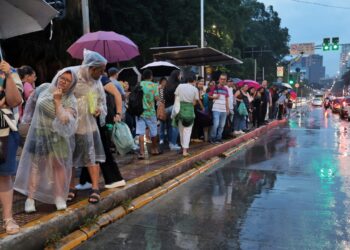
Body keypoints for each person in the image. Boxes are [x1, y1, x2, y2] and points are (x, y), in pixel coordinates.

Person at [14, 68, 78, 212]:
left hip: (58, 136)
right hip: (40, 133)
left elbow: (64, 119)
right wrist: (27, 120)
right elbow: (31, 102)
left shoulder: (70, 99)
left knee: (58, 166)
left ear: (72, 84)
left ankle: (59, 196)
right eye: (62, 77)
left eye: (68, 81)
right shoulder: (44, 88)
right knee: (36, 166)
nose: (63, 81)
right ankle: (30, 198)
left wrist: (57, 101)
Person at [68, 49, 108, 204]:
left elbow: (102, 102)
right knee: (69, 157)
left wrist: (100, 110)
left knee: (91, 156)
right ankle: (71, 187)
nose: (102, 74)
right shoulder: (72, 76)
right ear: (92, 68)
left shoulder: (97, 83)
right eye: (101, 70)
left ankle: (95, 188)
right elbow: (61, 95)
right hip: (71, 125)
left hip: (88, 126)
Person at [78, 75, 126, 189]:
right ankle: (86, 180)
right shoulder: (88, 80)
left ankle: (115, 179)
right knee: (90, 148)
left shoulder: (102, 79)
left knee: (102, 148)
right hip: (90, 119)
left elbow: (117, 94)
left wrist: (119, 113)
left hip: (101, 119)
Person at [0, 60, 22, 234]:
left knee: (4, 177)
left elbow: (14, 100)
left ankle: (8, 218)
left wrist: (7, 75)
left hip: (4, 132)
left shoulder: (10, 71)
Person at [172, 72, 203, 156]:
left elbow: (176, 98)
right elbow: (194, 102)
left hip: (180, 110)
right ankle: (185, 151)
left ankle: (183, 148)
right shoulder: (195, 89)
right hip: (189, 111)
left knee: (181, 131)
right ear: (193, 80)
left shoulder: (180, 86)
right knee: (187, 131)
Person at [136, 69, 160, 159]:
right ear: (151, 76)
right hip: (151, 112)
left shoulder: (139, 84)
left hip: (140, 112)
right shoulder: (154, 85)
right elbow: (157, 98)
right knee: (153, 131)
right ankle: (154, 149)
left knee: (141, 133)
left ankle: (142, 152)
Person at [209, 73, 229, 143]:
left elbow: (227, 100)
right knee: (216, 124)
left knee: (222, 125)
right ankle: (212, 138)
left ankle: (218, 138)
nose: (223, 80)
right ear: (219, 80)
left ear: (226, 80)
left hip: (223, 110)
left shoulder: (226, 89)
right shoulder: (214, 87)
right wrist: (214, 97)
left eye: (224, 79)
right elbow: (209, 96)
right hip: (216, 109)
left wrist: (227, 109)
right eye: (221, 79)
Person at [164, 70, 181, 150]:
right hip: (174, 107)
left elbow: (162, 97)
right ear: (177, 76)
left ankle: (170, 142)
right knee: (175, 126)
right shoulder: (178, 85)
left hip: (166, 108)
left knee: (169, 126)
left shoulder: (166, 85)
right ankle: (173, 144)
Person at [158, 77, 167, 144]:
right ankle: (161, 138)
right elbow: (161, 99)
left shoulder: (166, 88)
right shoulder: (160, 88)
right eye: (163, 81)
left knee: (164, 124)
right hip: (161, 107)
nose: (164, 83)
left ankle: (163, 138)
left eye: (165, 81)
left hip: (164, 106)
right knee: (162, 123)